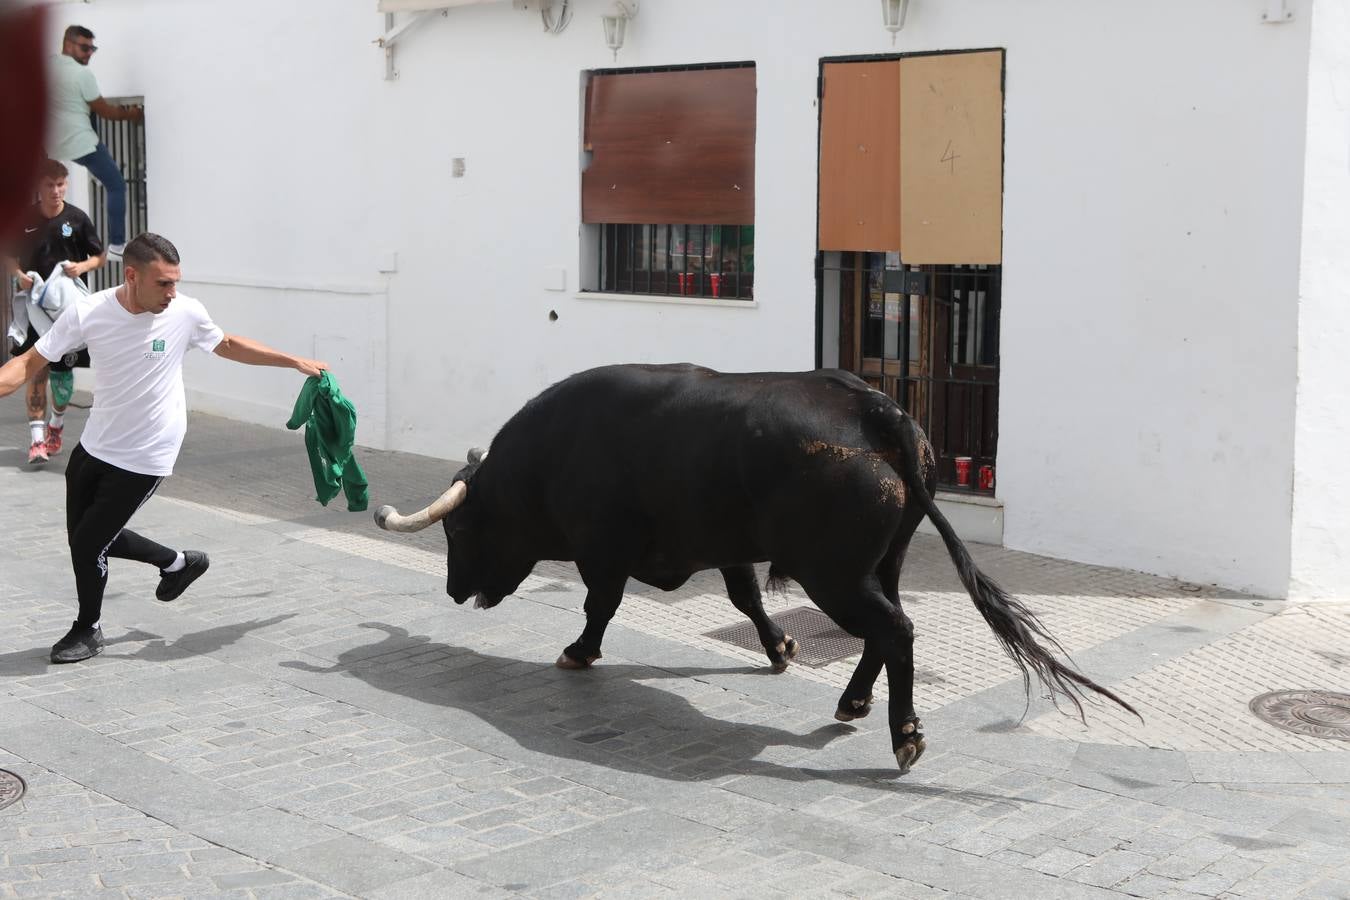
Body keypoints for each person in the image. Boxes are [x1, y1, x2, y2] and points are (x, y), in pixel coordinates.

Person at [0, 232, 328, 663]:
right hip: (96, 444)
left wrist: (293, 361)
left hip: (148, 452)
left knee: (87, 544)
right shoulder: (89, 312)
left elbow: (227, 344)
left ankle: (88, 629)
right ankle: (178, 563)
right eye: (163, 284)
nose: (173, 293)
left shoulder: (185, 312)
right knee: (85, 538)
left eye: (176, 282)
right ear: (132, 276)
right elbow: (28, 362)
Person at [4, 158, 105, 464]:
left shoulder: (77, 219)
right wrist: (19, 275)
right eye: (50, 185)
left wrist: (82, 266)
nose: (56, 191)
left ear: (66, 185)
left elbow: (99, 256)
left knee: (62, 381)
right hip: (35, 308)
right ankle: (36, 441)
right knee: (36, 371)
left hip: (69, 312)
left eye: (61, 184)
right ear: (39, 186)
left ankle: (56, 425)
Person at [47, 24, 141, 257]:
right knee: (116, 184)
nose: (89, 53)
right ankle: (117, 246)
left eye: (92, 49)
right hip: (81, 142)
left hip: (56, 142)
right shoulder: (82, 74)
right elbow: (106, 111)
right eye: (84, 48)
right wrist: (132, 114)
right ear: (68, 45)